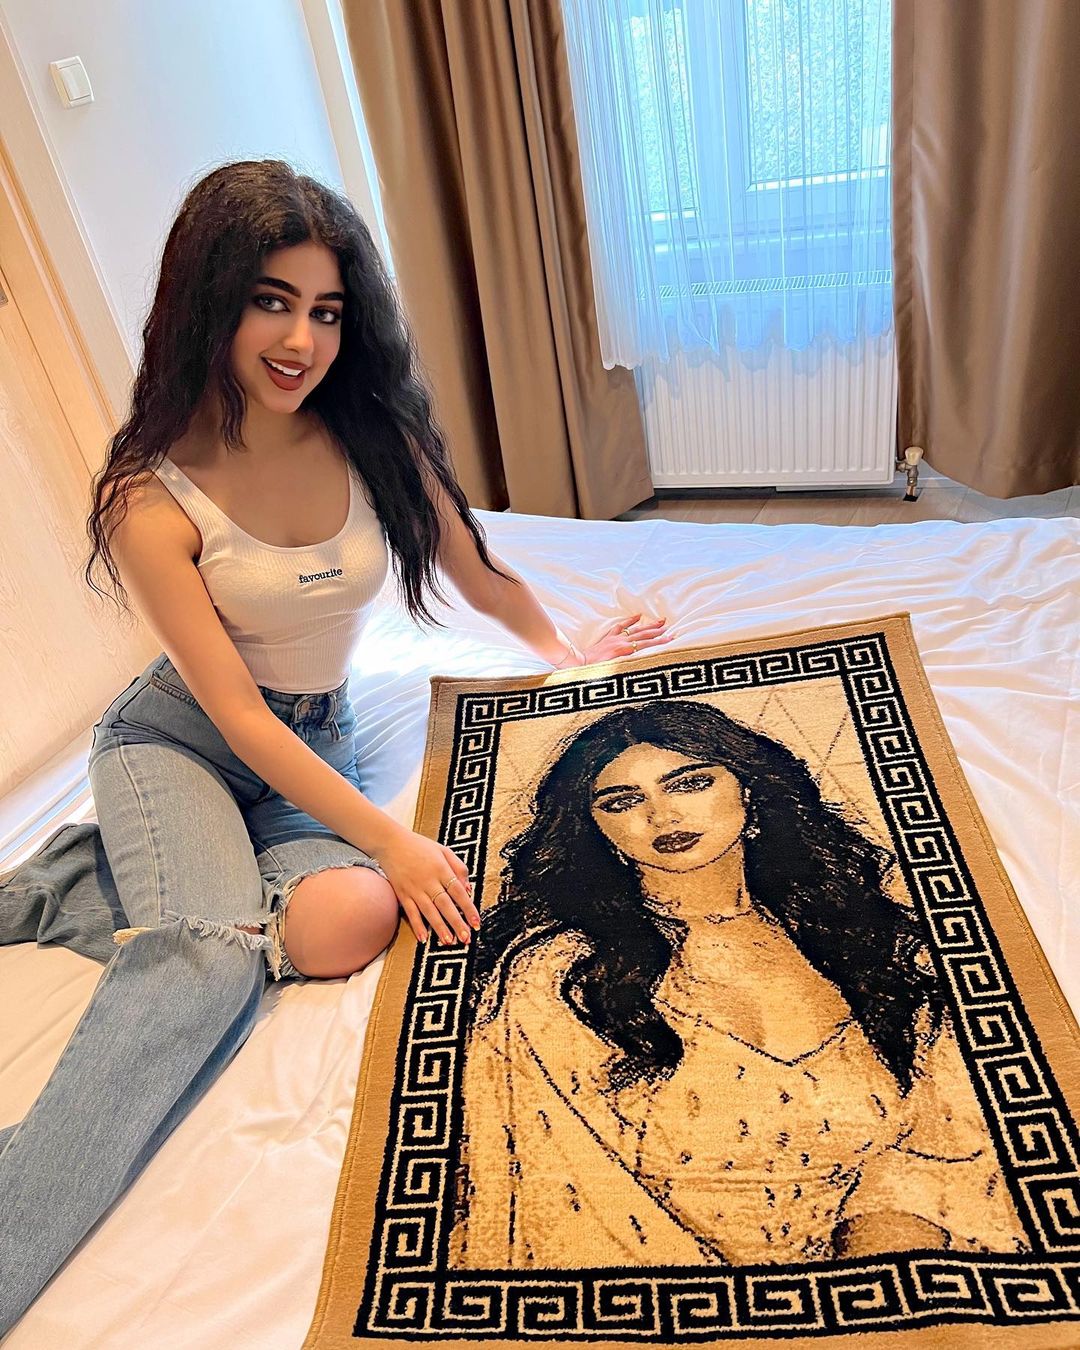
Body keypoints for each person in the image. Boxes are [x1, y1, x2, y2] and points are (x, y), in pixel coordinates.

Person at [0, 158, 671, 1332]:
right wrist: (395, 841)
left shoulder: (371, 435)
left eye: (326, 308)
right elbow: (238, 716)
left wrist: (568, 648)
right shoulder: (150, 497)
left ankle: (70, 884)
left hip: (311, 740)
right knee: (211, 965)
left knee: (347, 923)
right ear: (209, 299)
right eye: (271, 301)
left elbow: (474, 572)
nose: (302, 338)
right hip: (180, 743)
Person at [450, 699, 1028, 1268]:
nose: (661, 816)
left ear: (750, 792)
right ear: (598, 831)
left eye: (689, 783)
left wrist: (880, 1248)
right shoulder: (562, 974)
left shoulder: (870, 945)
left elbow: (947, 1138)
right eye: (623, 801)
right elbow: (562, 1187)